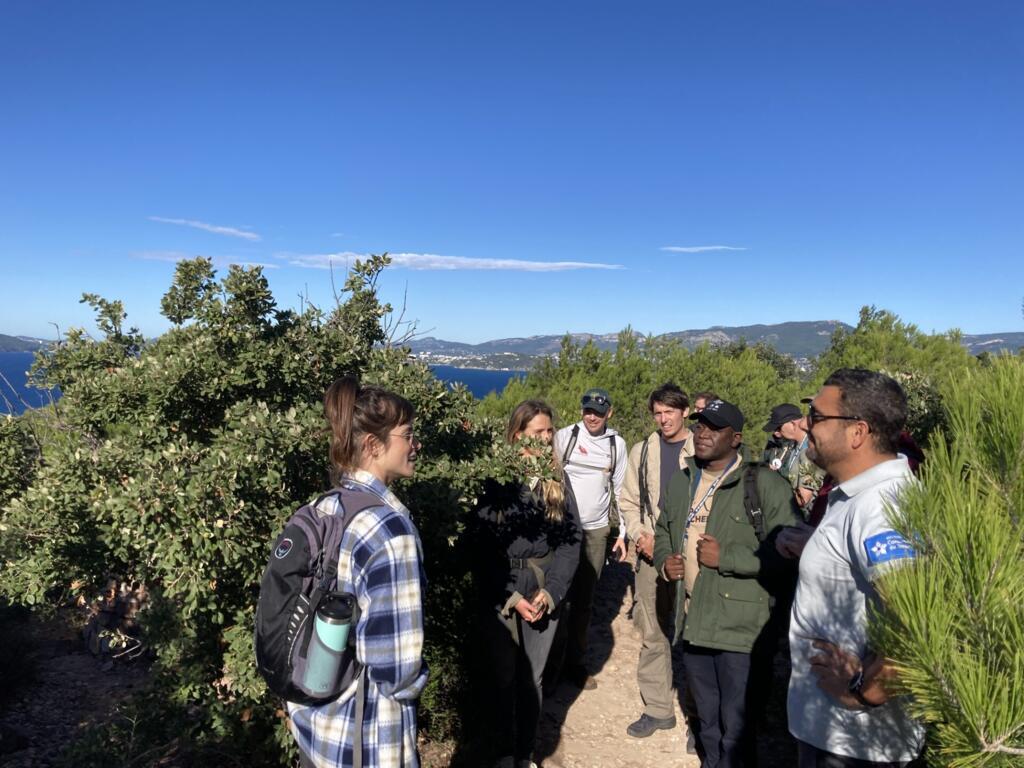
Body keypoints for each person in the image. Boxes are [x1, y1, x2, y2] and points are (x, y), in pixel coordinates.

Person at [787, 369, 925, 767]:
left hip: (857, 745)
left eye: (815, 416)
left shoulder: (882, 506)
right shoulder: (853, 495)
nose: (804, 425)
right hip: (834, 733)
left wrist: (862, 692)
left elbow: (917, 624)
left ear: (857, 432)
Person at [289, 376, 429, 768]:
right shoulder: (390, 530)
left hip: (314, 725)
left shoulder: (324, 506)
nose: (416, 444)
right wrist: (418, 680)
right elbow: (396, 668)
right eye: (407, 434)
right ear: (373, 445)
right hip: (363, 742)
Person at [653, 399, 800, 767]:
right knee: (706, 721)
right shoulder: (682, 481)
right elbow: (662, 531)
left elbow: (791, 556)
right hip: (693, 621)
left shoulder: (764, 484)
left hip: (743, 630)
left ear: (735, 438)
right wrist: (664, 563)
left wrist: (728, 560)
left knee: (738, 726)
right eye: (700, 425)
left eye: (714, 428)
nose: (702, 433)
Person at [473, 400, 581, 768]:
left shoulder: (556, 480)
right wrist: (512, 596)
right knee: (502, 674)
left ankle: (525, 753)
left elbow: (571, 540)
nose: (546, 439)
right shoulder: (496, 479)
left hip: (544, 584)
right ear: (518, 434)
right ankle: (502, 751)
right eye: (538, 432)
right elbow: (481, 545)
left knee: (530, 678)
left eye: (550, 431)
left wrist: (551, 592)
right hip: (503, 584)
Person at [619, 383, 694, 739]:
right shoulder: (642, 450)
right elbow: (629, 500)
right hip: (650, 552)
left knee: (696, 635)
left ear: (686, 411)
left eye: (670, 412)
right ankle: (658, 709)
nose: (663, 419)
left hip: (691, 555)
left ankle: (701, 718)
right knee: (652, 631)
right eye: (658, 413)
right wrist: (640, 535)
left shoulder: (703, 447)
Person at [553, 387, 628, 689]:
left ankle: (575, 663)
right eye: (588, 410)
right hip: (562, 527)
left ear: (609, 412)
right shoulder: (564, 436)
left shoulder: (616, 445)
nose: (592, 416)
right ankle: (550, 663)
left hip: (596, 531)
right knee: (556, 595)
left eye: (599, 411)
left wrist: (622, 533)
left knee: (584, 601)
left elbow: (622, 490)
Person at [761, 403, 824, 514]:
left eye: (779, 428)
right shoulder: (795, 447)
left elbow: (803, 499)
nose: (776, 432)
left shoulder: (809, 450)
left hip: (809, 518)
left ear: (792, 424)